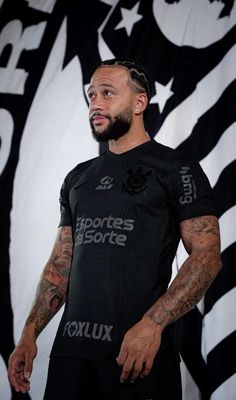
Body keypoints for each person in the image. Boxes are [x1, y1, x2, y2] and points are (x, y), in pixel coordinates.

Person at [8, 58, 222, 400]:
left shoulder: (175, 168)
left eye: (107, 93)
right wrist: (29, 334)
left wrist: (152, 326)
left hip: (134, 357)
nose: (95, 102)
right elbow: (60, 266)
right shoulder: (78, 178)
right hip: (71, 358)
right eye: (91, 94)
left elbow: (208, 256)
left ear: (139, 103)